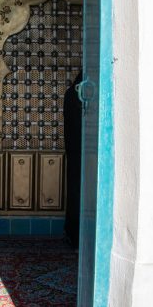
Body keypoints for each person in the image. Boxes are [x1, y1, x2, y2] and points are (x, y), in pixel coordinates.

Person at [64, 71, 83, 247]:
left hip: (74, 151)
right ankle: (81, 236)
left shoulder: (70, 94)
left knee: (75, 191)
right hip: (87, 153)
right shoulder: (85, 95)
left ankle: (73, 233)